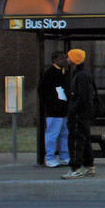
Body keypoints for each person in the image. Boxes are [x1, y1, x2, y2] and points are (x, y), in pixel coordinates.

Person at [62, 48, 98, 179]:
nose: (67, 59)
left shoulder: (80, 75)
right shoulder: (83, 73)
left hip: (78, 113)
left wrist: (73, 108)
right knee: (85, 139)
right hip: (83, 112)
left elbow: (82, 96)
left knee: (76, 139)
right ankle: (89, 166)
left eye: (69, 57)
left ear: (74, 59)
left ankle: (76, 168)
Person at [37, 50, 70, 167]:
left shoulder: (65, 72)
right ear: (55, 60)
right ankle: (50, 157)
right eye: (63, 58)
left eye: (66, 58)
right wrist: (48, 104)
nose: (65, 60)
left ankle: (64, 156)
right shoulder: (50, 73)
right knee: (52, 134)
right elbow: (42, 91)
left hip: (64, 109)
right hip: (54, 110)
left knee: (64, 134)